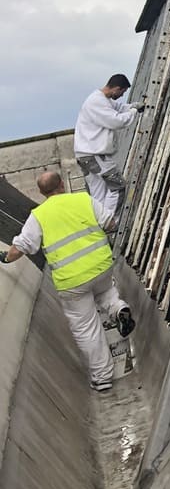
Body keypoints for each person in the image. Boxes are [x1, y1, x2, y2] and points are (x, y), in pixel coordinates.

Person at [0, 172, 135, 392]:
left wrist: (5, 257)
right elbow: (110, 222)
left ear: (42, 193)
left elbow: (23, 246)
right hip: (100, 266)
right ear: (62, 184)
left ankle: (102, 378)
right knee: (105, 292)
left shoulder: (39, 215)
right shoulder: (82, 199)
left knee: (87, 328)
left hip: (72, 282)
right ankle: (119, 309)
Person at [74, 72, 143, 218]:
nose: (122, 95)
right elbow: (117, 121)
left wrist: (131, 106)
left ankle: (99, 222)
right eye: (122, 92)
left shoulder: (101, 99)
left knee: (99, 194)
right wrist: (134, 111)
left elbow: (117, 107)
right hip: (94, 155)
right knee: (117, 186)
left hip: (85, 156)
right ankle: (109, 222)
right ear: (116, 88)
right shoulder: (96, 102)